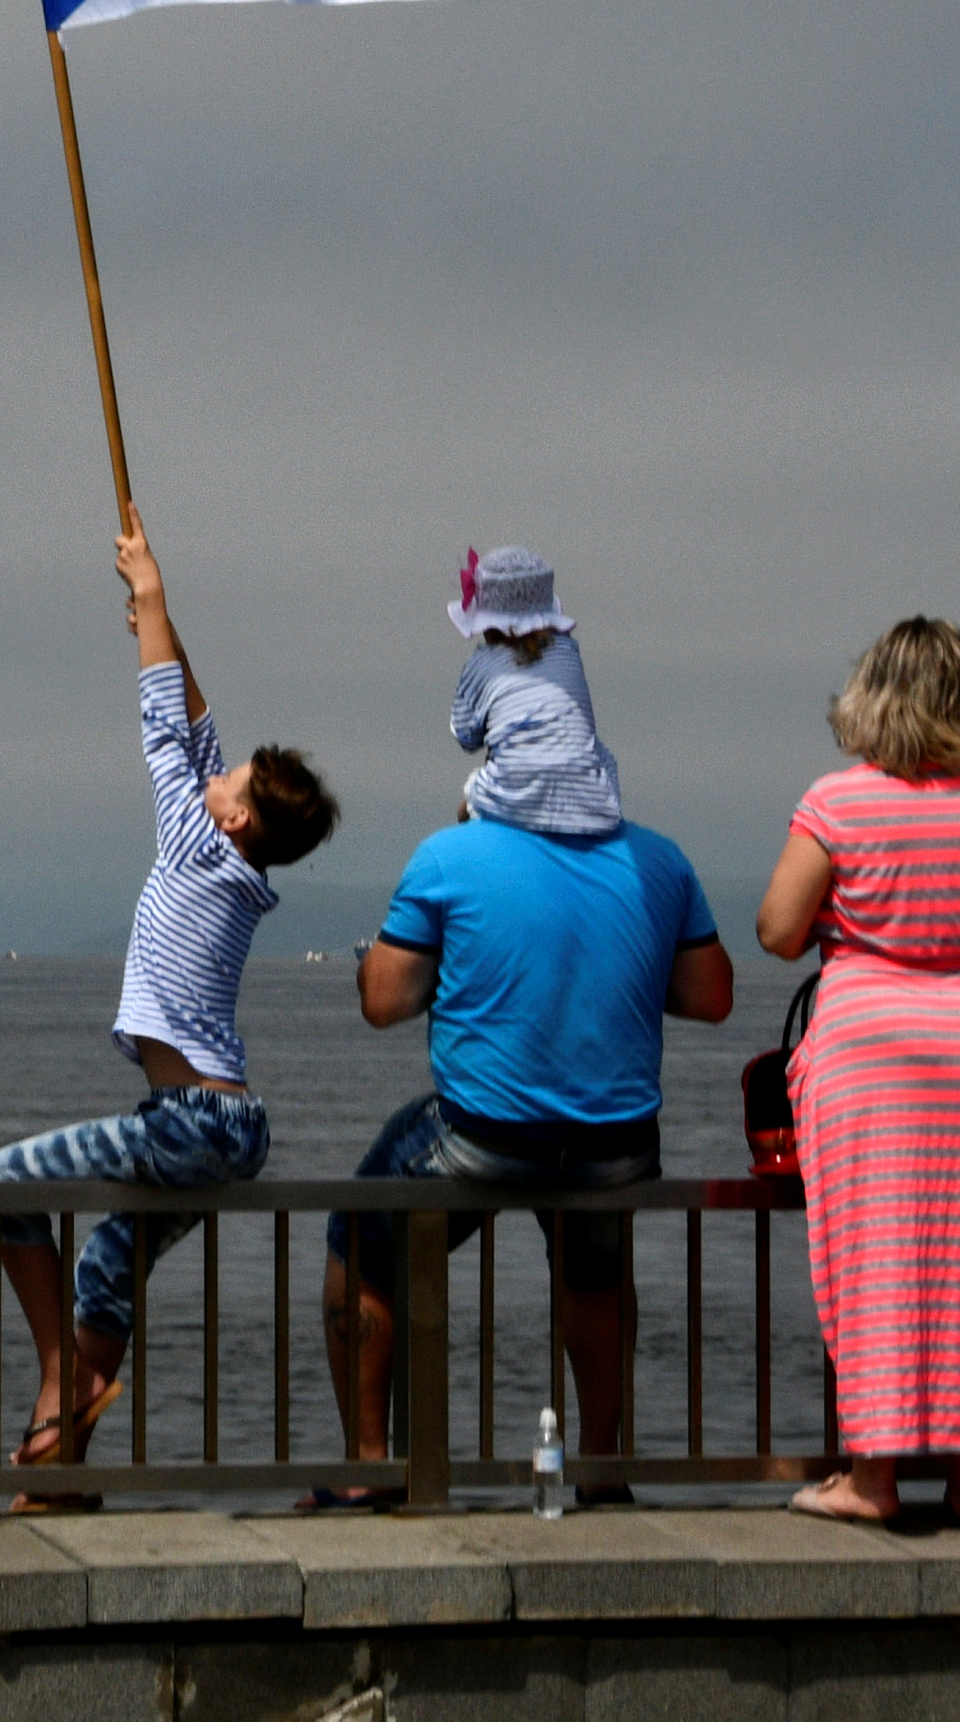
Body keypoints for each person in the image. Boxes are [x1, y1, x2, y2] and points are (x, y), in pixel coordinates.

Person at [0, 504, 337, 1498]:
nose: (211, 771)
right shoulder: (235, 863)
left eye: (229, 777)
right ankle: (66, 1455)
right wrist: (153, 627)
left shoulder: (193, 840)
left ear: (238, 814)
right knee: (104, 1265)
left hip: (191, 1122)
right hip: (225, 1120)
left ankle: (54, 1388)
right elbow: (196, 720)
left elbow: (161, 727)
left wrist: (151, 592)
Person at [319, 793, 732, 1498]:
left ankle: (370, 1467)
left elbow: (383, 1000)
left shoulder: (452, 856)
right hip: (614, 1140)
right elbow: (711, 995)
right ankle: (603, 1468)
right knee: (594, 1273)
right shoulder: (657, 857)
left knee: (362, 1234)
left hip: (482, 1133)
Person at [754, 615, 960, 1524]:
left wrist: (866, 927)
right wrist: (952, 932)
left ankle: (872, 1477)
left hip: (867, 1046)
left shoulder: (838, 802)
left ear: (870, 690)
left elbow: (777, 929)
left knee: (874, 1256)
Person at [445, 543, 621, 836]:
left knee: (467, 806)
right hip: (592, 806)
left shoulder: (480, 663)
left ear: (485, 621)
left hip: (512, 799)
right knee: (600, 754)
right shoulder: (568, 651)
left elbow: (466, 737)